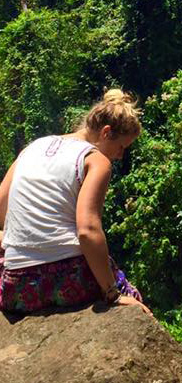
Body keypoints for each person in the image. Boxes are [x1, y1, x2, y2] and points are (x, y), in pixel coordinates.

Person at [0, 89, 151, 315]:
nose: (120, 155)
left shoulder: (32, 148)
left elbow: (2, 208)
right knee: (127, 291)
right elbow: (87, 231)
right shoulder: (96, 160)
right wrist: (113, 293)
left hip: (16, 287)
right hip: (68, 282)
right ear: (106, 132)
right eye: (121, 147)